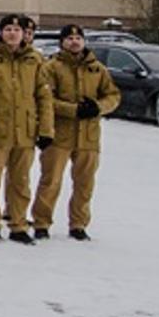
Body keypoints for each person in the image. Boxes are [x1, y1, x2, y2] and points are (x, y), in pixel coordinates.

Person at [31, 24, 119, 241]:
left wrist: (98, 107)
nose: (74, 41)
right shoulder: (51, 67)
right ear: (62, 42)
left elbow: (113, 95)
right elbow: (44, 99)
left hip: (88, 136)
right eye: (69, 38)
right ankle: (42, 222)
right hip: (60, 134)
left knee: (85, 183)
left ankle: (78, 224)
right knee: (51, 181)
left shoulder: (97, 69)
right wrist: (72, 110)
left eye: (78, 37)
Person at [0, 14, 55, 244]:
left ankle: (18, 224)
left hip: (25, 131)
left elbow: (43, 97)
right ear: (1, 32)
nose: (12, 33)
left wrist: (46, 130)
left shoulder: (35, 60)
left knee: (21, 181)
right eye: (7, 29)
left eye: (16, 30)